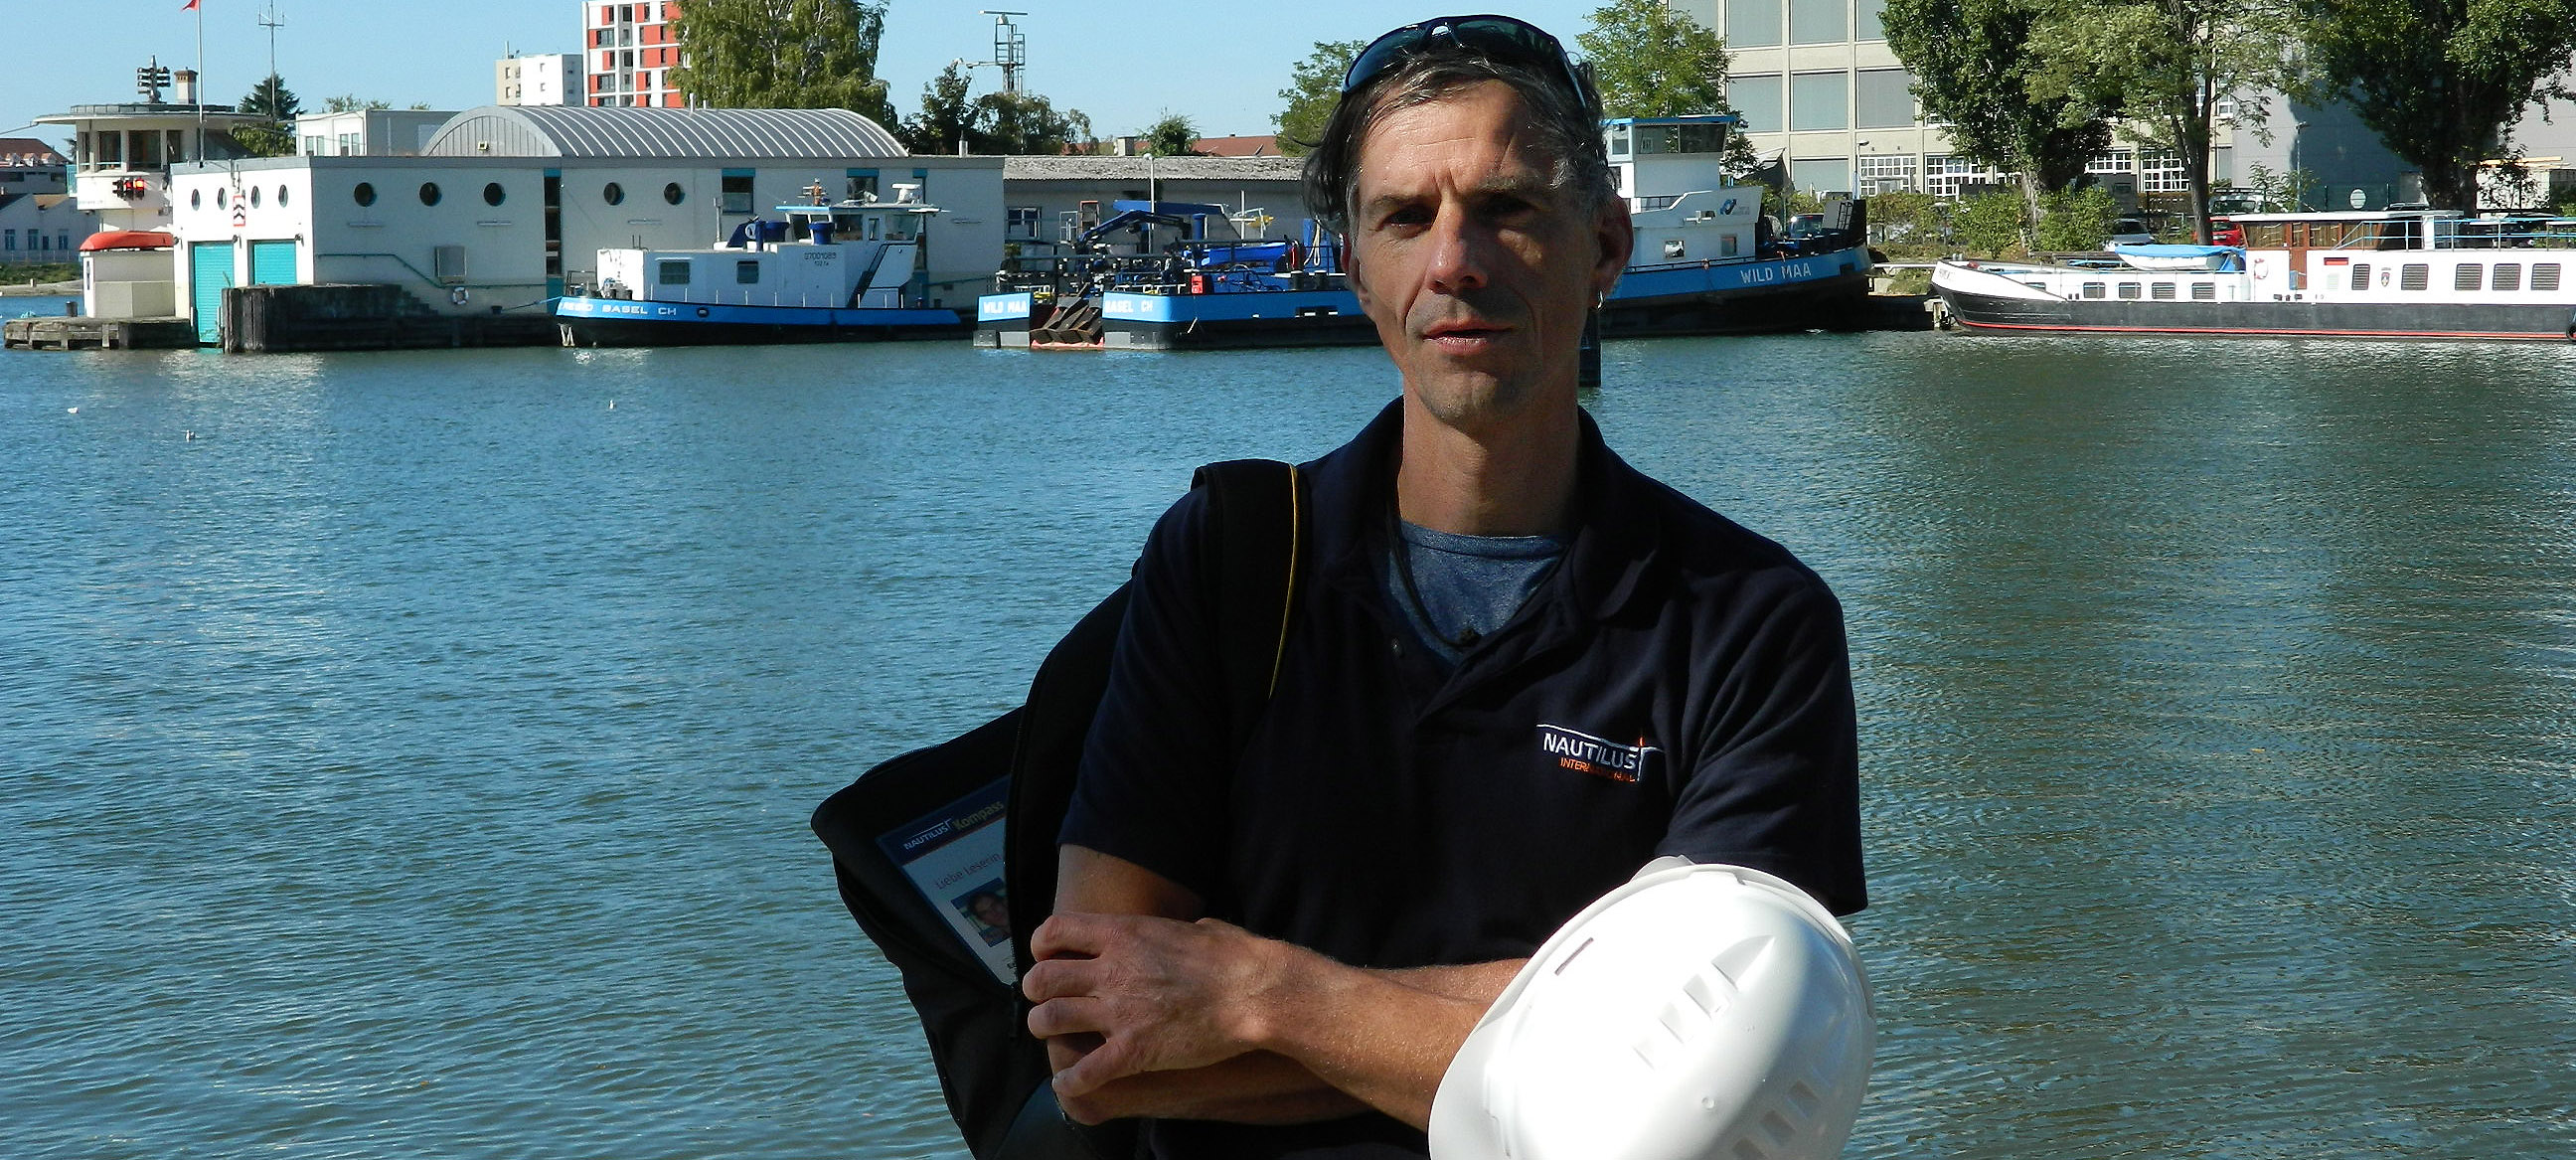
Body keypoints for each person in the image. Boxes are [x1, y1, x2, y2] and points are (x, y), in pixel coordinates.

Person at [1020, 15, 1864, 1159]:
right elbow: (1095, 1054)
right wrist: (1578, 1034)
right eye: (1406, 217)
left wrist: (1266, 994)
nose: (1455, 262)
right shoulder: (1227, 559)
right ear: (1353, 266)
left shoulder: (1751, 621)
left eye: (1508, 209)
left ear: (1606, 246)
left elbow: (1717, 1088)